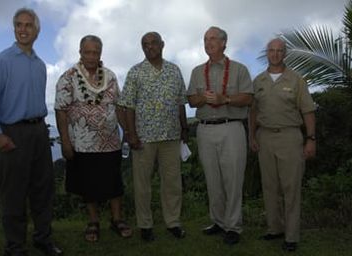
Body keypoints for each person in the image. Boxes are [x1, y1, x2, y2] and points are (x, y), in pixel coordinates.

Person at [0, 8, 62, 256]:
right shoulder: (3, 61)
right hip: (13, 133)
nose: (23, 29)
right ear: (14, 28)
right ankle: (14, 247)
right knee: (14, 193)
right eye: (18, 25)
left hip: (39, 131)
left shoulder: (40, 66)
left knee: (42, 189)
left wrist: (43, 131)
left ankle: (42, 239)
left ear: (37, 31)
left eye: (28, 25)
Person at [54, 35, 132, 242]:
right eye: (87, 52)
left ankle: (117, 219)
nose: (91, 56)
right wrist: (65, 142)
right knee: (87, 186)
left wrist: (128, 133)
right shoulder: (68, 77)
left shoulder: (110, 76)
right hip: (82, 143)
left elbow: (120, 106)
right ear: (80, 52)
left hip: (110, 141)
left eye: (95, 52)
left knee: (114, 183)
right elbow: (60, 111)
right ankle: (93, 222)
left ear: (100, 54)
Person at [118, 31, 188, 241]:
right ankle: (145, 225)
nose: (150, 47)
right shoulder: (135, 72)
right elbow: (127, 106)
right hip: (143, 138)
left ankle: (173, 222)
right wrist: (130, 134)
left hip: (171, 137)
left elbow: (180, 102)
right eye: (145, 44)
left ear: (162, 44)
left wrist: (184, 128)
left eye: (153, 43)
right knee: (142, 185)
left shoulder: (174, 71)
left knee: (172, 182)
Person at [187, 26, 253, 245]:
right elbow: (191, 100)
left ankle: (233, 226)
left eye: (212, 38)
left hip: (231, 127)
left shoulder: (239, 69)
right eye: (205, 39)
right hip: (204, 129)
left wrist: (224, 99)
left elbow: (248, 98)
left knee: (233, 179)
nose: (208, 42)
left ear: (224, 43)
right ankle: (218, 221)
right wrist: (202, 99)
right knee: (212, 179)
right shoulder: (197, 71)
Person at [249, 38, 316, 252]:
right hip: (265, 138)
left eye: (279, 50)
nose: (275, 54)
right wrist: (251, 136)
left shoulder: (296, 80)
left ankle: (291, 235)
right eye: (271, 50)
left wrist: (311, 139)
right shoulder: (258, 81)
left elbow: (308, 111)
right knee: (270, 187)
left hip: (290, 137)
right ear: (266, 53)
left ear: (284, 53)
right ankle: (274, 228)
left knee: (291, 187)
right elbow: (253, 112)